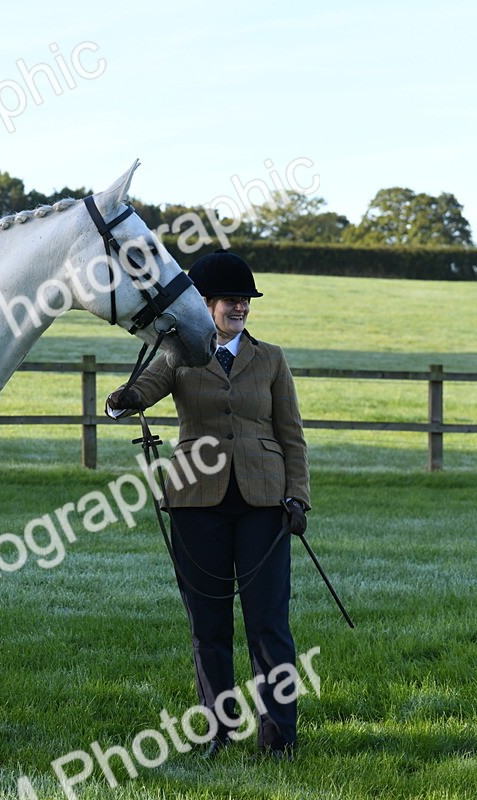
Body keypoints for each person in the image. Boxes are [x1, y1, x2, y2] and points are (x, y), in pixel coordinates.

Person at [106, 249, 310, 760]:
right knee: (209, 625)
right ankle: (217, 730)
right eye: (231, 301)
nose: (240, 308)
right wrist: (124, 399)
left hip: (265, 503)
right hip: (196, 502)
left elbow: (292, 435)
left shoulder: (271, 359)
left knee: (269, 623)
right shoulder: (179, 354)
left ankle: (278, 736)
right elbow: (145, 388)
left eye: (245, 301)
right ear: (205, 302)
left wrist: (299, 497)